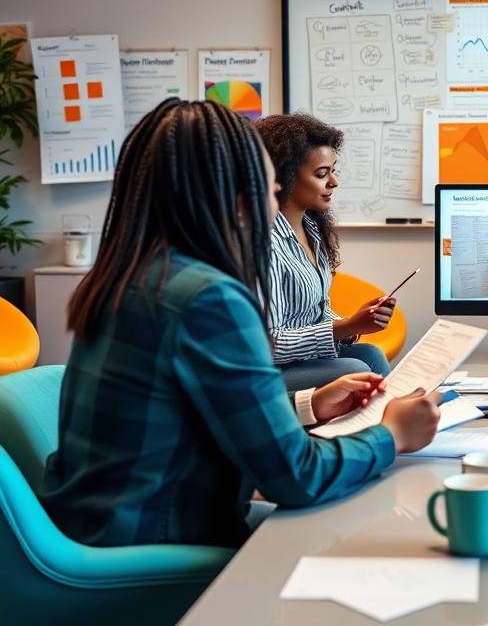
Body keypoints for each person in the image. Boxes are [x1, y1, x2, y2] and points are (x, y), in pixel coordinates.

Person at [41, 99, 440, 549]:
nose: (276, 211)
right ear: (238, 199)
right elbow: (294, 478)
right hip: (151, 547)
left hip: (97, 529)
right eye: (271, 192)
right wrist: (392, 436)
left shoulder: (132, 277)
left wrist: (308, 406)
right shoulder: (207, 298)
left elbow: (192, 415)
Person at [254, 112, 395, 392]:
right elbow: (267, 345)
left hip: (300, 362)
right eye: (322, 174)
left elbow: (313, 313)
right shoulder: (262, 243)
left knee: (371, 356)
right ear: (284, 176)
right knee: (355, 370)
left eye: (333, 170)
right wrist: (343, 327)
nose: (334, 182)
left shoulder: (311, 230)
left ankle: (391, 428)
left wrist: (353, 322)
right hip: (266, 371)